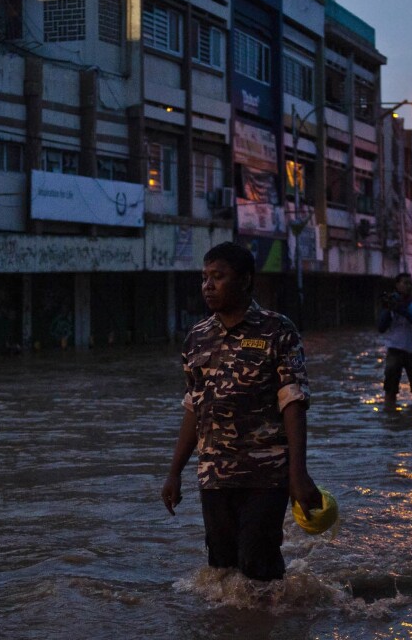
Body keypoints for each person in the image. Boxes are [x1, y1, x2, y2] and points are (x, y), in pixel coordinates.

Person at [161, 242, 321, 582]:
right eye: (204, 278)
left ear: (246, 280)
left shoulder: (278, 331)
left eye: (218, 277)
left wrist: (298, 473)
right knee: (221, 573)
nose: (208, 286)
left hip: (266, 472)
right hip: (215, 475)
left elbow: (292, 401)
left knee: (257, 566)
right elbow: (194, 406)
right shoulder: (197, 338)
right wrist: (174, 471)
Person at [378, 273, 412, 409]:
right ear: (397, 285)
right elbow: (381, 327)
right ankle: (390, 415)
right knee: (390, 389)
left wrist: (401, 309)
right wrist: (389, 309)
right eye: (405, 283)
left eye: (410, 283)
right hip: (395, 350)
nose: (408, 286)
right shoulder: (390, 305)